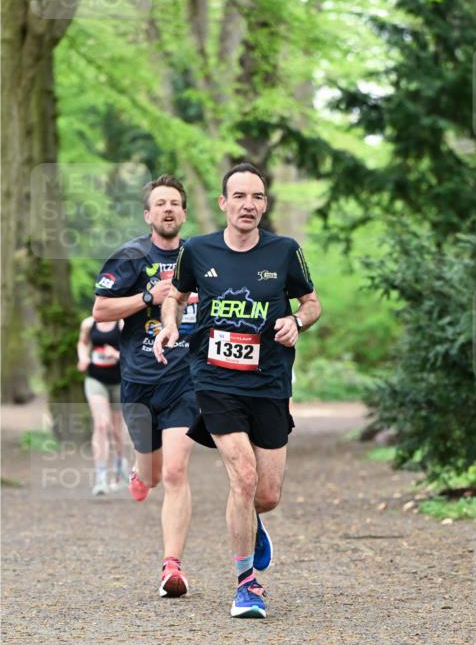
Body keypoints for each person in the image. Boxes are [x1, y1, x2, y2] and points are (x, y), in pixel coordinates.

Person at [154, 162, 321, 618]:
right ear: (224, 203)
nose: (249, 205)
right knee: (243, 477)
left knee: (265, 494)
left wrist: (296, 321)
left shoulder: (284, 251)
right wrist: (169, 326)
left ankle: (253, 519)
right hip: (215, 379)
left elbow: (311, 302)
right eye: (241, 197)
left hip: (268, 383)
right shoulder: (199, 250)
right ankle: (247, 584)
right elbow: (176, 294)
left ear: (265, 205)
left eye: (258, 198)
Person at [92, 175, 198, 598]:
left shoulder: (200, 257)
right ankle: (138, 470)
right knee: (152, 474)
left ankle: (171, 566)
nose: (168, 209)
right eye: (160, 203)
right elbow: (101, 310)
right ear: (148, 214)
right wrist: (148, 298)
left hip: (184, 379)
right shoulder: (131, 257)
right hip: (138, 381)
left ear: (184, 213)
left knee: (175, 471)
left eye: (175, 203)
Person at [77, 316, 126, 495]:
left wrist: (116, 354)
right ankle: (101, 478)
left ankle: (120, 467)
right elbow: (82, 343)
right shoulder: (88, 324)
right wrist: (83, 357)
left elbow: (133, 352)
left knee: (116, 430)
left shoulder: (122, 323)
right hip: (96, 379)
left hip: (119, 381)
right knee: (101, 425)